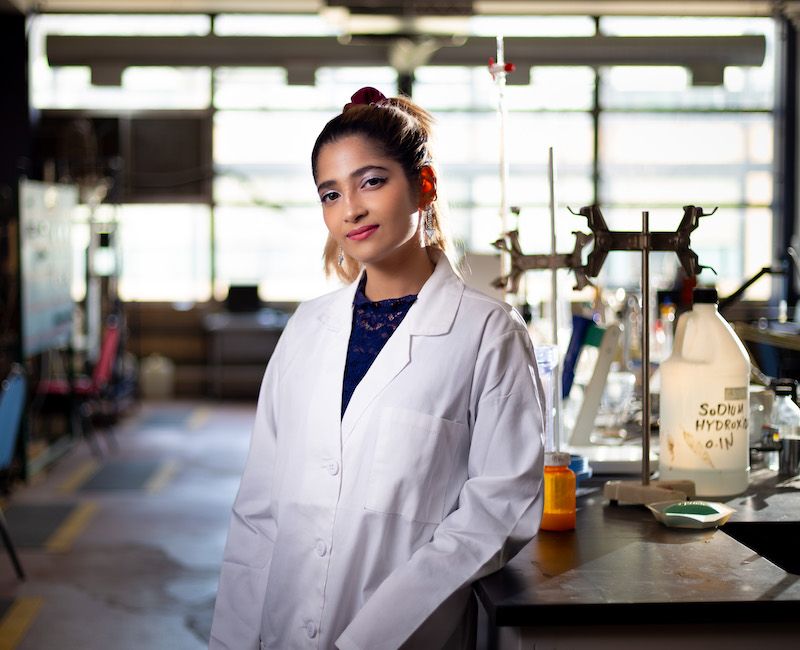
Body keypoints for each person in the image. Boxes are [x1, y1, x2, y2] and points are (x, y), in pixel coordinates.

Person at [209, 86, 546, 650]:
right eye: (330, 194)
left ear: (424, 186)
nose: (351, 210)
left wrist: (369, 639)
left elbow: (495, 514)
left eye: (371, 182)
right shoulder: (306, 331)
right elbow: (258, 515)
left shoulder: (487, 333)